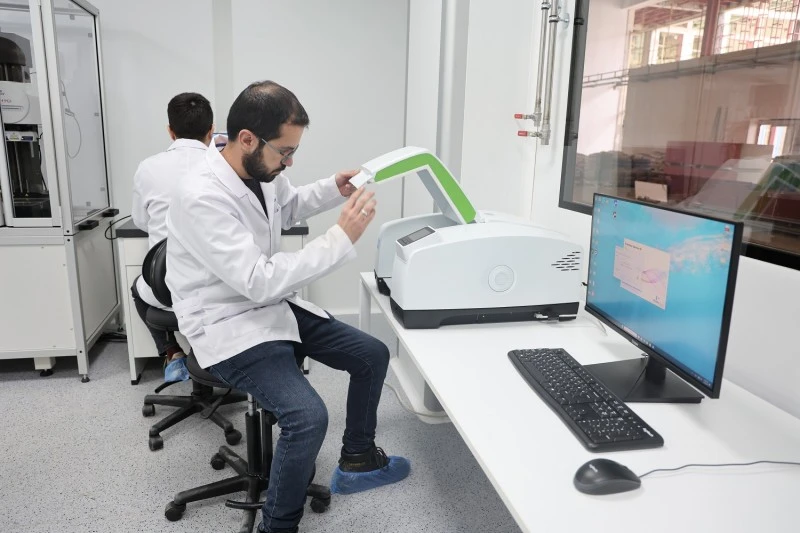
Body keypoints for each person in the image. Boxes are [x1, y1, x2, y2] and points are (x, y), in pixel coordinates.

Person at [165, 80, 410, 533]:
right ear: (247, 139)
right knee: (307, 417)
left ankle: (358, 460)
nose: (289, 162)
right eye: (285, 152)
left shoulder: (260, 170)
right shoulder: (201, 195)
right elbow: (258, 281)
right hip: (226, 322)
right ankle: (277, 526)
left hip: (268, 304)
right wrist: (340, 238)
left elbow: (288, 204)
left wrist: (334, 188)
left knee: (372, 354)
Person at [131, 92, 214, 382]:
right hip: (220, 289)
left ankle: (172, 353)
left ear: (170, 130)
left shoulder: (148, 168)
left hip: (167, 287)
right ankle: (208, 359)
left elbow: (140, 220)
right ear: (211, 131)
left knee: (138, 287)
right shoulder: (226, 168)